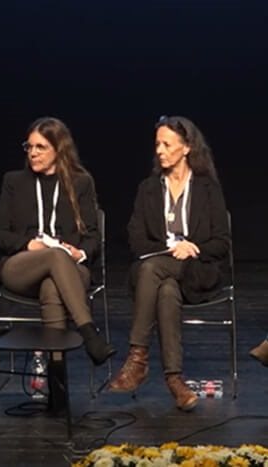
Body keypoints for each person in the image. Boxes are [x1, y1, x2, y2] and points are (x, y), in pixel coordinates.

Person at [109, 116, 230, 412]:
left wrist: (192, 248)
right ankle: (175, 381)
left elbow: (221, 243)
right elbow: (136, 240)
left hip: (197, 271)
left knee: (152, 269)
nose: (159, 151)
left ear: (187, 147)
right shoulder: (148, 188)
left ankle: (138, 357)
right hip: (161, 274)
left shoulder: (207, 188)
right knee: (165, 289)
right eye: (157, 145)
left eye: (167, 144)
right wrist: (170, 248)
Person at [0, 117, 116, 375]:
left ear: (59, 149)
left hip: (70, 269)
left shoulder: (81, 183)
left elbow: (93, 237)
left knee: (52, 285)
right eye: (29, 146)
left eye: (41, 147)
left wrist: (80, 253)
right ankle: (88, 333)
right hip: (22, 268)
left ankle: (56, 378)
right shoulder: (14, 181)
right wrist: (29, 244)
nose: (33, 153)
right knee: (54, 256)